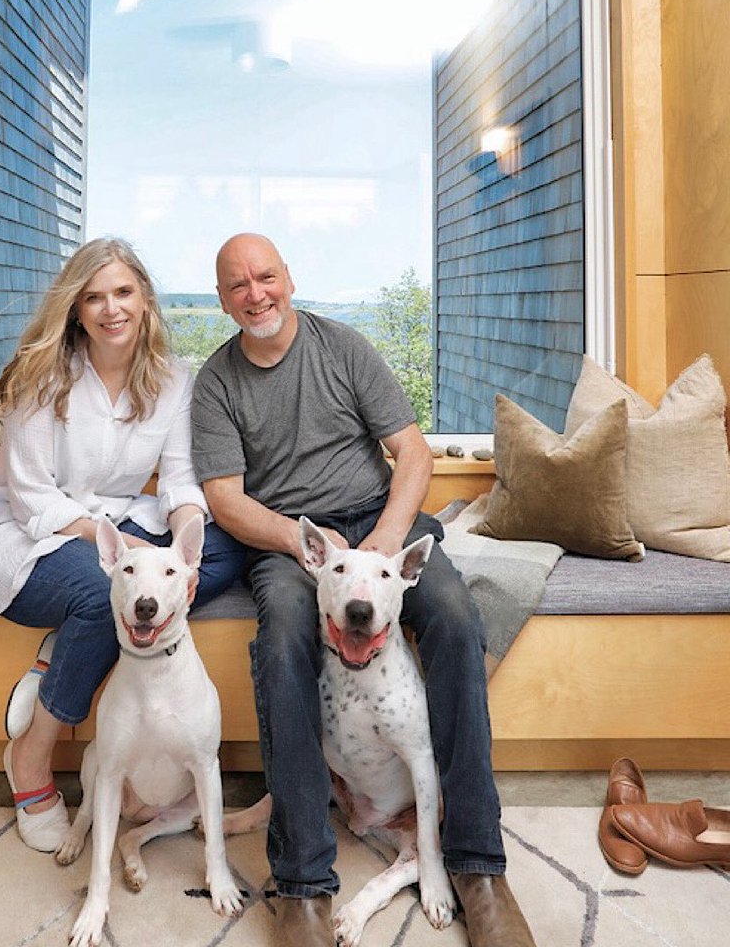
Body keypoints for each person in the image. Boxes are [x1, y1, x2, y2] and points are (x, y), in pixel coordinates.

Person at [190, 233, 535, 947]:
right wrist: (308, 549)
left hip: (378, 526)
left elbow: (412, 452)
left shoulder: (343, 347)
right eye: (237, 286)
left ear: (288, 277)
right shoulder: (216, 383)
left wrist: (383, 540)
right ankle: (304, 881)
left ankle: (476, 864)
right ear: (222, 300)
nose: (255, 294)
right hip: (296, 541)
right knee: (283, 636)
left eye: (266, 277)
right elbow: (224, 500)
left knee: (451, 611)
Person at [0, 237, 246, 853]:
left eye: (123, 292)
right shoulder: (42, 377)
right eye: (93, 297)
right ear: (75, 309)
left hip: (110, 525)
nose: (111, 309)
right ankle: (30, 762)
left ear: (145, 300)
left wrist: (186, 538)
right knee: (101, 591)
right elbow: (33, 498)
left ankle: (58, 656)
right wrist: (128, 553)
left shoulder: (173, 380)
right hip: (21, 534)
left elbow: (182, 479)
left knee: (224, 549)